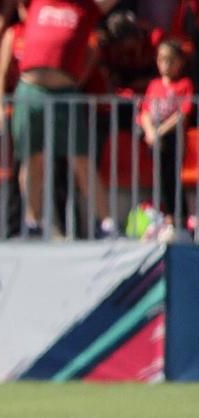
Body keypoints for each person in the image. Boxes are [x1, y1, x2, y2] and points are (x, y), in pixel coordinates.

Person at [12, 0, 117, 239]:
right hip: (29, 89)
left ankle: (106, 223)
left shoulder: (86, 6)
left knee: (80, 158)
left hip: (64, 92)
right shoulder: (38, 2)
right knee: (31, 158)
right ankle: (32, 222)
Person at [140, 39, 194, 227]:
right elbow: (145, 111)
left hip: (172, 137)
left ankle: (179, 217)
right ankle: (167, 215)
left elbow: (183, 112)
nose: (165, 64)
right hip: (154, 137)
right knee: (161, 178)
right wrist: (149, 131)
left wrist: (160, 131)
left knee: (172, 178)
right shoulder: (154, 84)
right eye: (162, 59)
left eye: (171, 60)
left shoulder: (185, 84)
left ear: (180, 62)